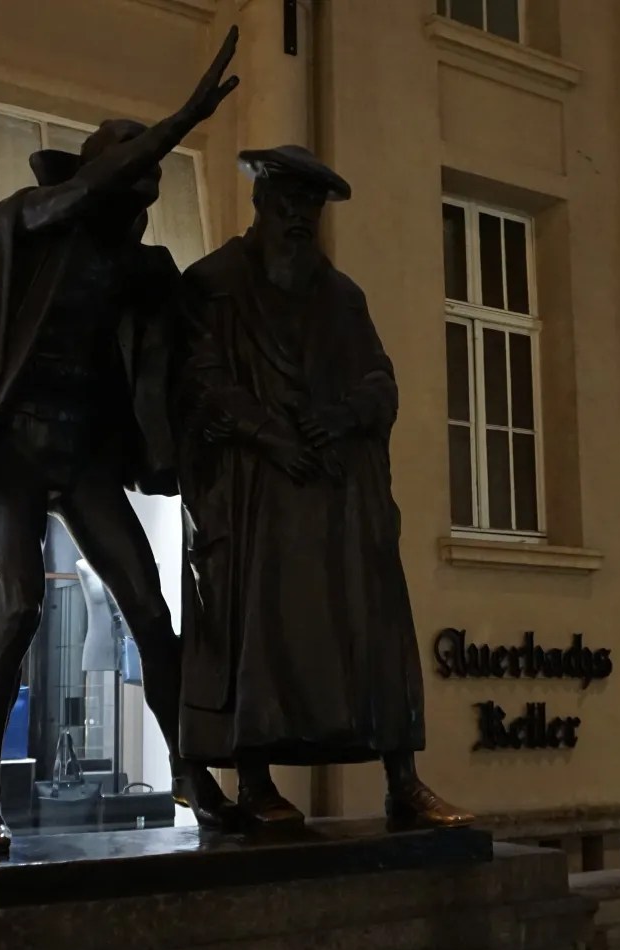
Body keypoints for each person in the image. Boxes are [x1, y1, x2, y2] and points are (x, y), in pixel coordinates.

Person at [0, 28, 244, 853]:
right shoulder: (25, 222)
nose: (139, 190)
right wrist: (183, 119)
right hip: (15, 453)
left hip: (87, 454)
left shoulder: (138, 269)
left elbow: (200, 338)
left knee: (151, 613)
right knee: (21, 609)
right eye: (128, 168)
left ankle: (191, 773)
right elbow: (83, 194)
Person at [174, 145, 473, 830]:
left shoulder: (342, 297)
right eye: (287, 206)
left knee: (374, 622)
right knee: (255, 625)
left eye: (309, 209)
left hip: (339, 493)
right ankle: (254, 781)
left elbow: (379, 381)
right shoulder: (213, 284)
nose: (299, 220)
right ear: (260, 203)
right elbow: (199, 381)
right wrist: (269, 436)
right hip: (255, 493)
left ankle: (402, 780)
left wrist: (341, 417)